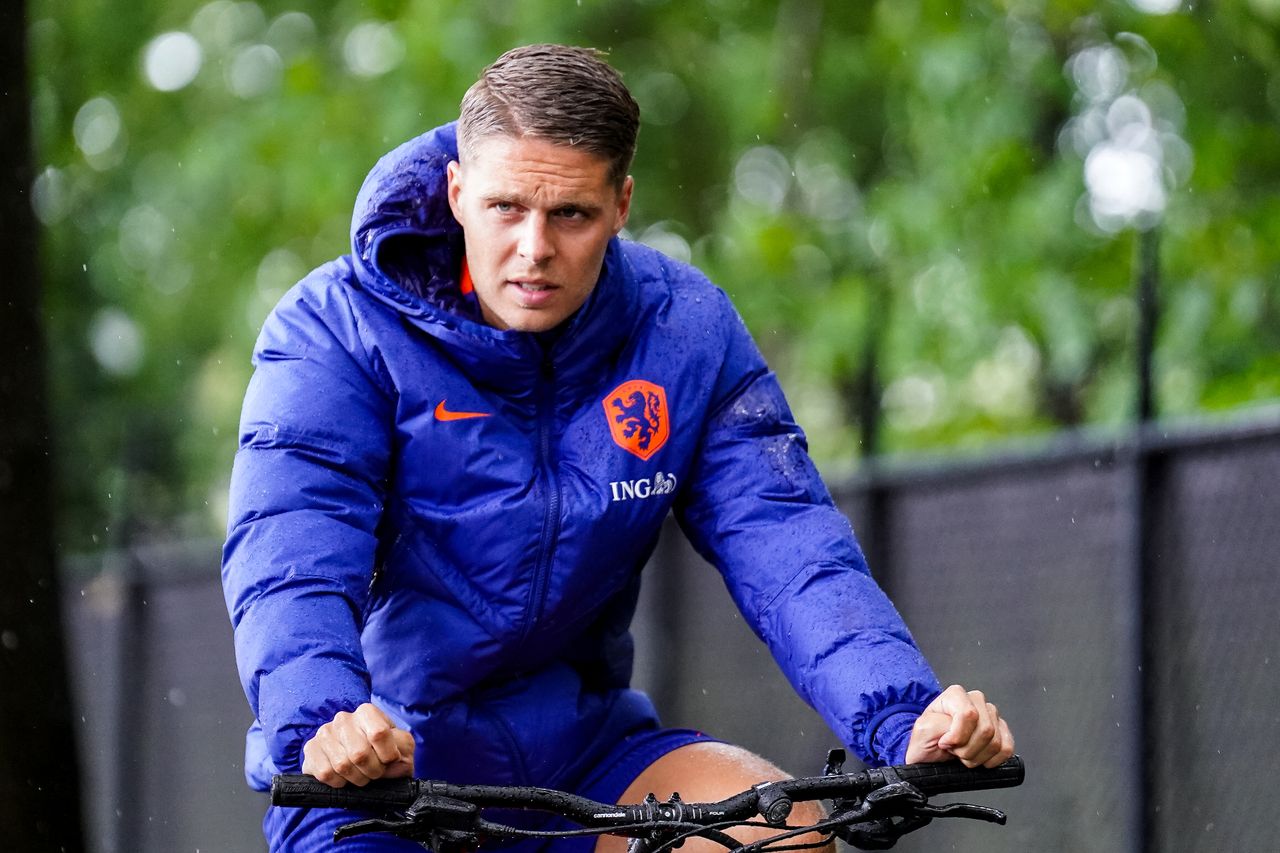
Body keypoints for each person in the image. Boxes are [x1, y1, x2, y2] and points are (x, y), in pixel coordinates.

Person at [222, 44, 1013, 852]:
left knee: (778, 836)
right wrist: (322, 719)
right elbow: (290, 558)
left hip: (587, 765)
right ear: (458, 191)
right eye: (504, 208)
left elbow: (791, 545)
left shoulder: (684, 330)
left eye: (570, 214)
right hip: (388, 778)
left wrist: (905, 719)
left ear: (622, 203)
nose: (534, 248)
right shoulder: (333, 331)